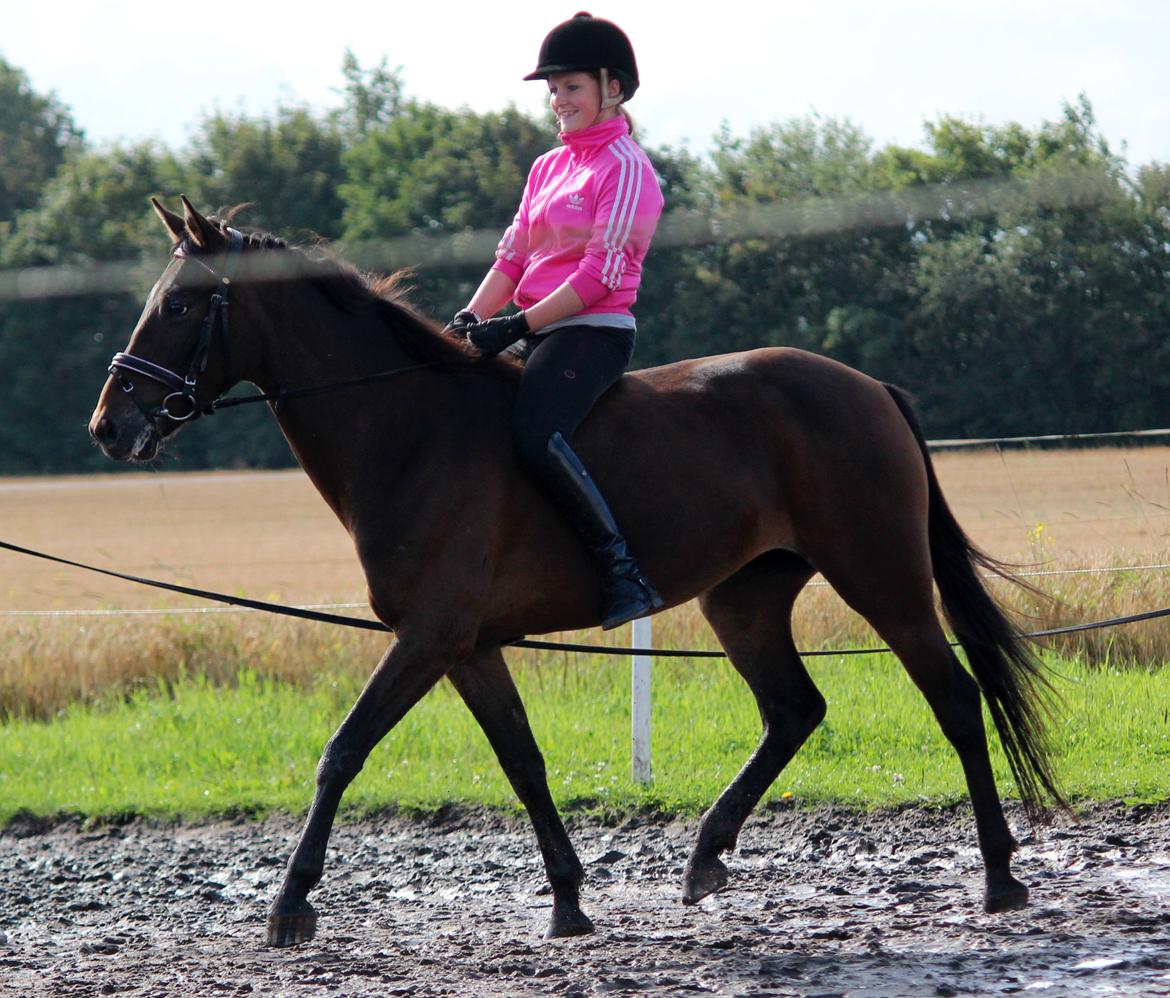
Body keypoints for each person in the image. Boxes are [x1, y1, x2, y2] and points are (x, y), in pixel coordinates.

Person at [449, 11, 665, 630]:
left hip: (590, 333)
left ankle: (622, 569)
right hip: (531, 326)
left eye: (571, 86)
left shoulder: (626, 169)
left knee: (534, 434)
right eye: (553, 89)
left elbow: (600, 277)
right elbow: (512, 258)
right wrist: (467, 320)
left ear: (613, 89)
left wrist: (515, 327)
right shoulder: (547, 167)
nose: (558, 100)